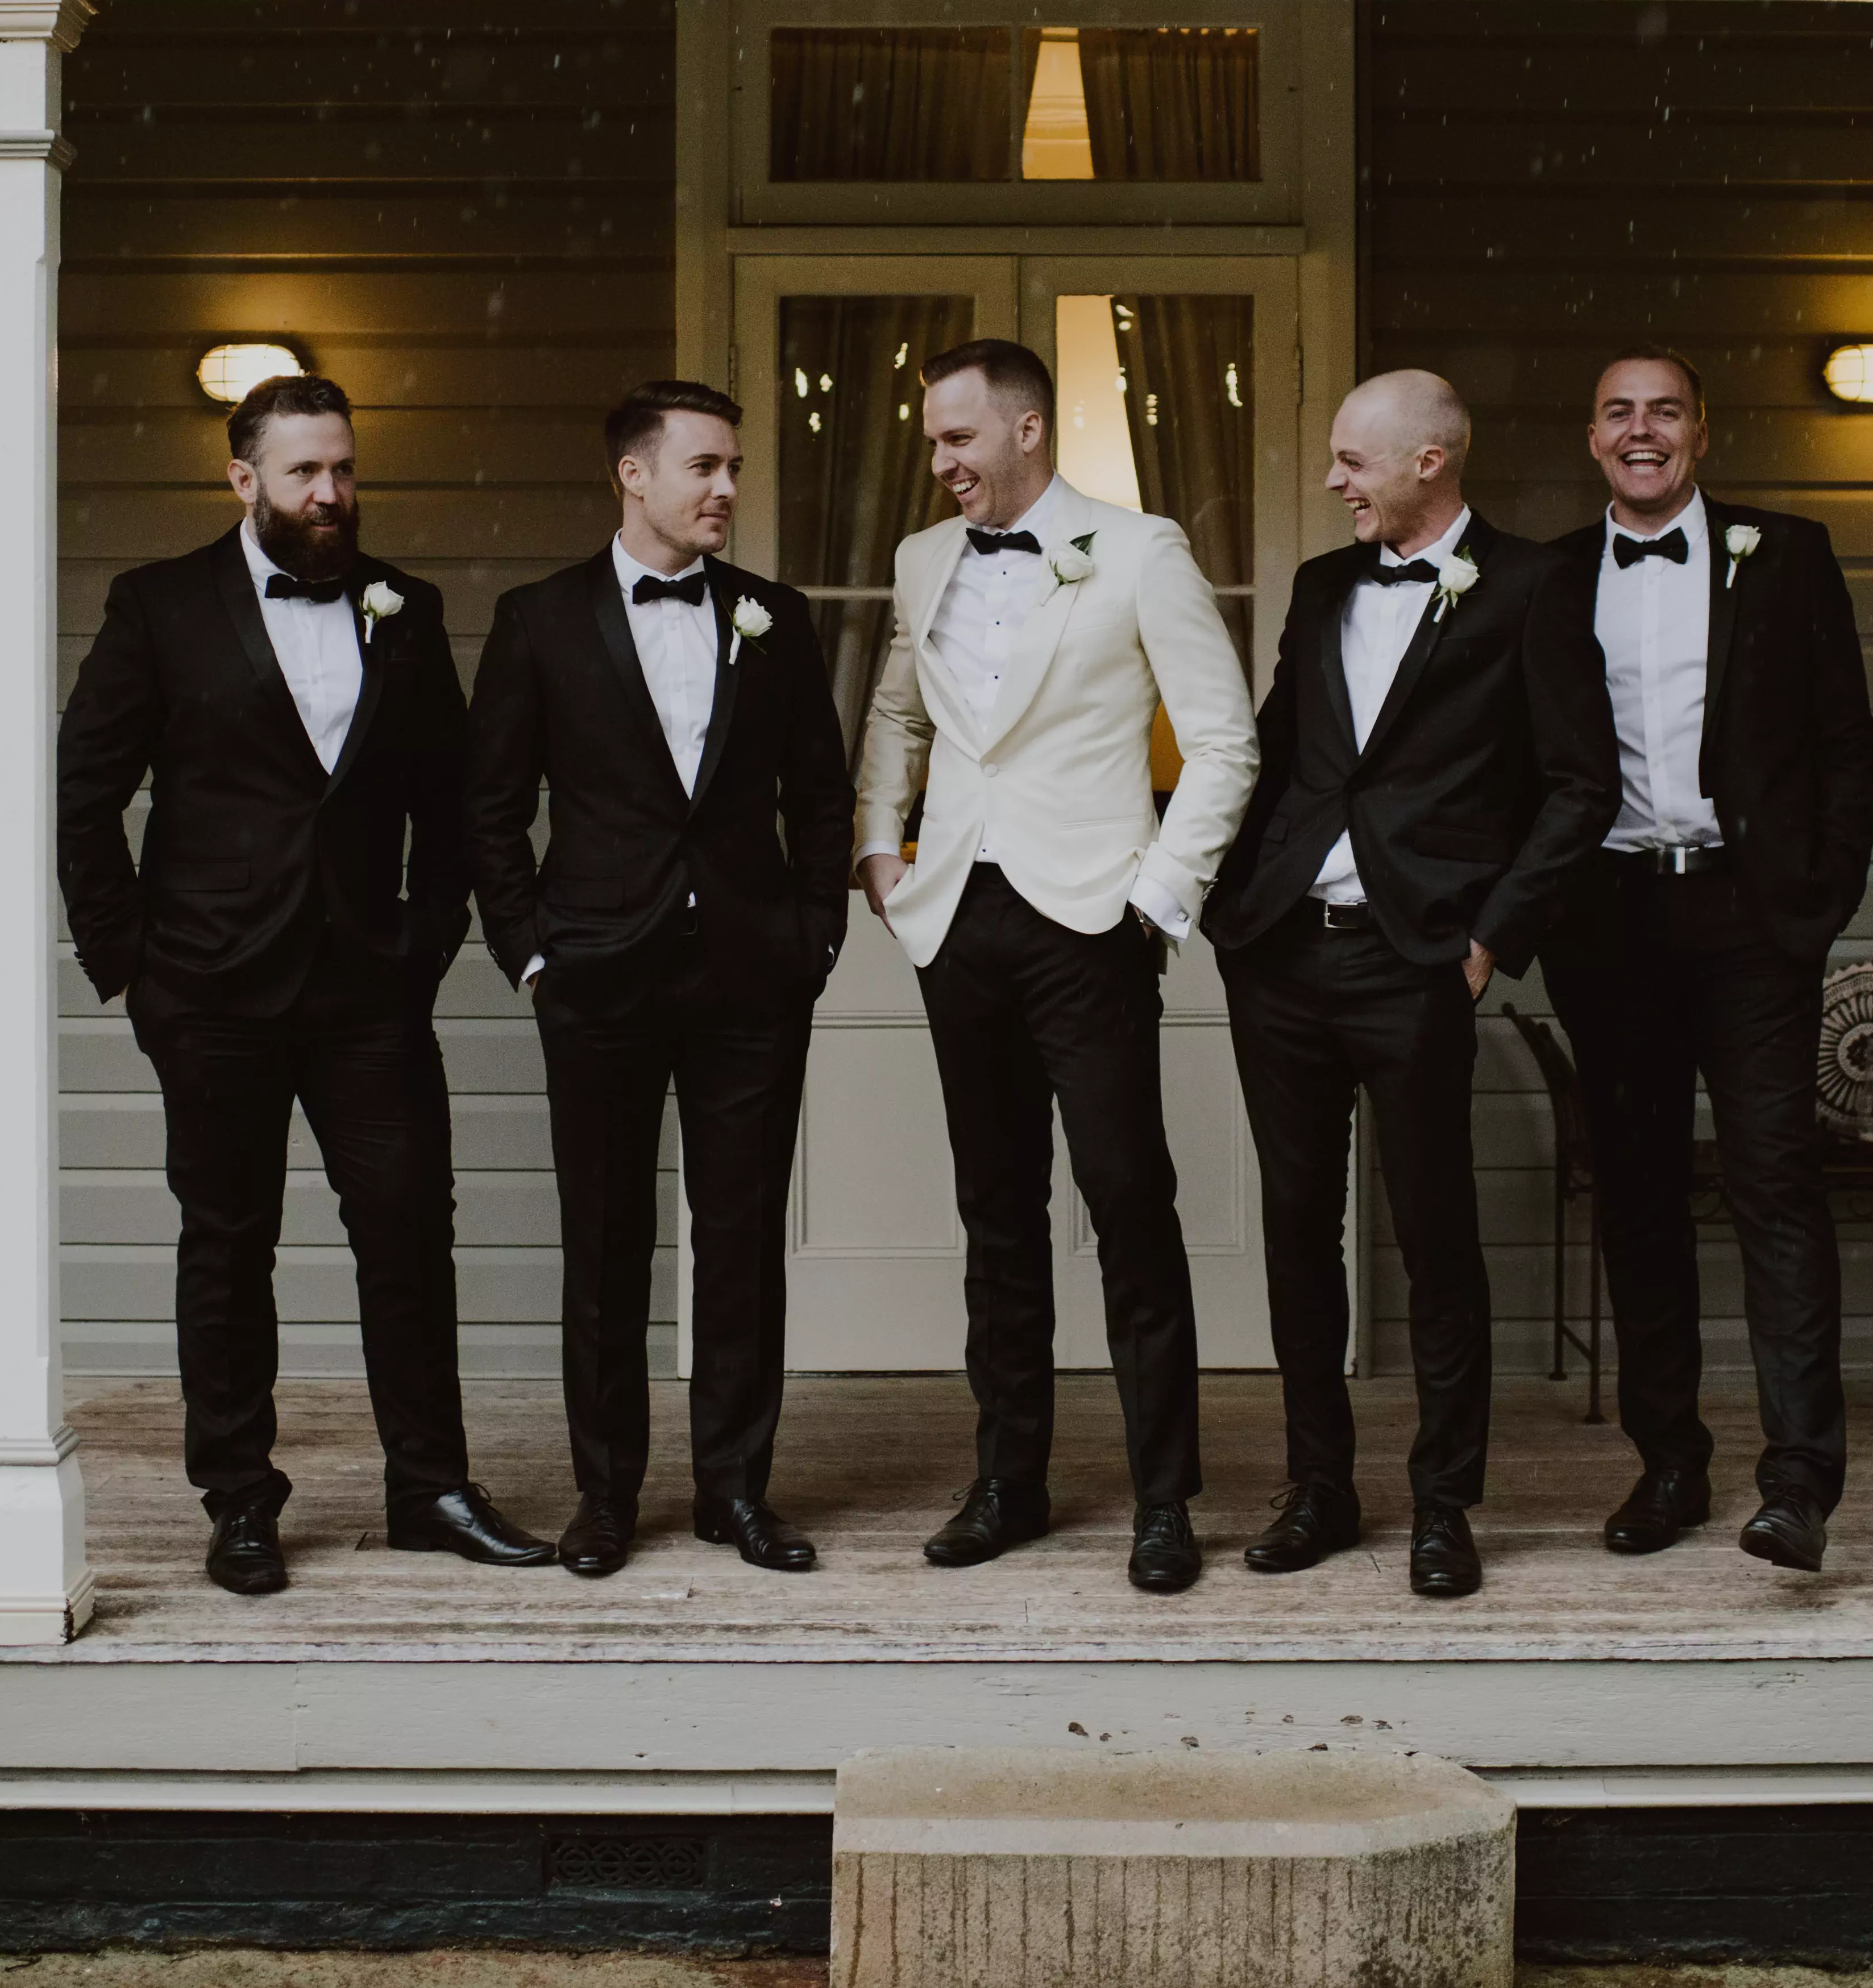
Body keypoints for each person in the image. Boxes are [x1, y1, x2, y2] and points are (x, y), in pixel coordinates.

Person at [56, 373, 553, 1597]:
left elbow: (452, 799)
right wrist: (134, 966)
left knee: (407, 1229)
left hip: (364, 993)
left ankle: (428, 1483)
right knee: (227, 1244)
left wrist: (421, 946)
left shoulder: (407, 608)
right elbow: (83, 789)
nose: (330, 493)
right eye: (302, 473)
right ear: (242, 480)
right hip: (209, 990)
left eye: (342, 469)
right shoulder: (159, 606)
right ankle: (238, 1500)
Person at [1206, 369, 1618, 1600]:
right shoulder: (1322, 584)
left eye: (1351, 461)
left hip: (1417, 957)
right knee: (1294, 1231)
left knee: (1435, 1235)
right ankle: (1315, 1488)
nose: (1333, 481)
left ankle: (1444, 1503)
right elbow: (1281, 757)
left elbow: (1578, 783)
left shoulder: (1536, 585)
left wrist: (1490, 933)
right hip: (1280, 952)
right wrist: (1226, 902)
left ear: (1429, 460)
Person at [855, 338, 1259, 1596]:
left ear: (1027, 430)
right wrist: (879, 843)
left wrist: (1153, 900)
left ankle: (1160, 1496)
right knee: (995, 1211)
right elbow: (896, 711)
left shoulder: (1139, 550)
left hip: (1090, 920)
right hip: (954, 923)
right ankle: (1008, 1480)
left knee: (1129, 1200)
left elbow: (1223, 741)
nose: (941, 463)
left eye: (958, 439)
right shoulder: (924, 559)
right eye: (933, 441)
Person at [466, 381, 853, 1579]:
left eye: (732, 466)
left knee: (740, 1240)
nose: (726, 487)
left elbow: (819, 790)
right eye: (702, 466)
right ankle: (605, 1496)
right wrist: (532, 948)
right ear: (631, 475)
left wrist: (811, 939)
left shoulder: (773, 618)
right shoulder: (538, 619)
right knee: (604, 1243)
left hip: (749, 977)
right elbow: (490, 807)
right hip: (597, 976)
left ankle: (737, 1489)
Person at [1542, 350, 1873, 1575]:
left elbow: (1845, 738)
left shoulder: (1783, 553)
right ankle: (1668, 1461)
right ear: (1592, 438)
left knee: (1773, 1183)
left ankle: (1796, 1479)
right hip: (1608, 921)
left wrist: (1816, 897)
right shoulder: (1545, 577)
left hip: (1750, 920)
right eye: (1618, 411)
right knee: (1636, 1194)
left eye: (1664, 411)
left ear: (1700, 432)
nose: (1642, 430)